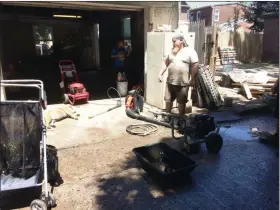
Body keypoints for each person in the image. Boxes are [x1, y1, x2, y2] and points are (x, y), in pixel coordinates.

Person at [158, 34, 199, 117]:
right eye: (172, 42)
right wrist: (160, 74)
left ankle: (181, 118)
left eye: (174, 42)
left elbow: (195, 65)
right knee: (168, 100)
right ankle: (168, 117)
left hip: (183, 83)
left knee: (181, 102)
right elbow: (165, 63)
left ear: (181, 41)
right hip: (170, 82)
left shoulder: (189, 51)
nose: (173, 44)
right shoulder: (171, 51)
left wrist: (192, 79)